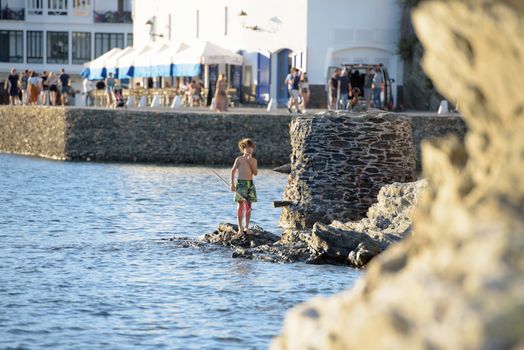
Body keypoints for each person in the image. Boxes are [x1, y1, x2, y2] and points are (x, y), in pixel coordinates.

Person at [230, 138, 258, 236]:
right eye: (246, 147)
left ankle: (246, 226)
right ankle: (240, 228)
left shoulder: (254, 160)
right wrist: (232, 184)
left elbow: (255, 173)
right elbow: (233, 171)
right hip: (240, 184)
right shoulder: (239, 159)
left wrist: (250, 162)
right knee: (240, 206)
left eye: (250, 147)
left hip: (250, 184)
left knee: (249, 206)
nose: (249, 149)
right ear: (243, 148)